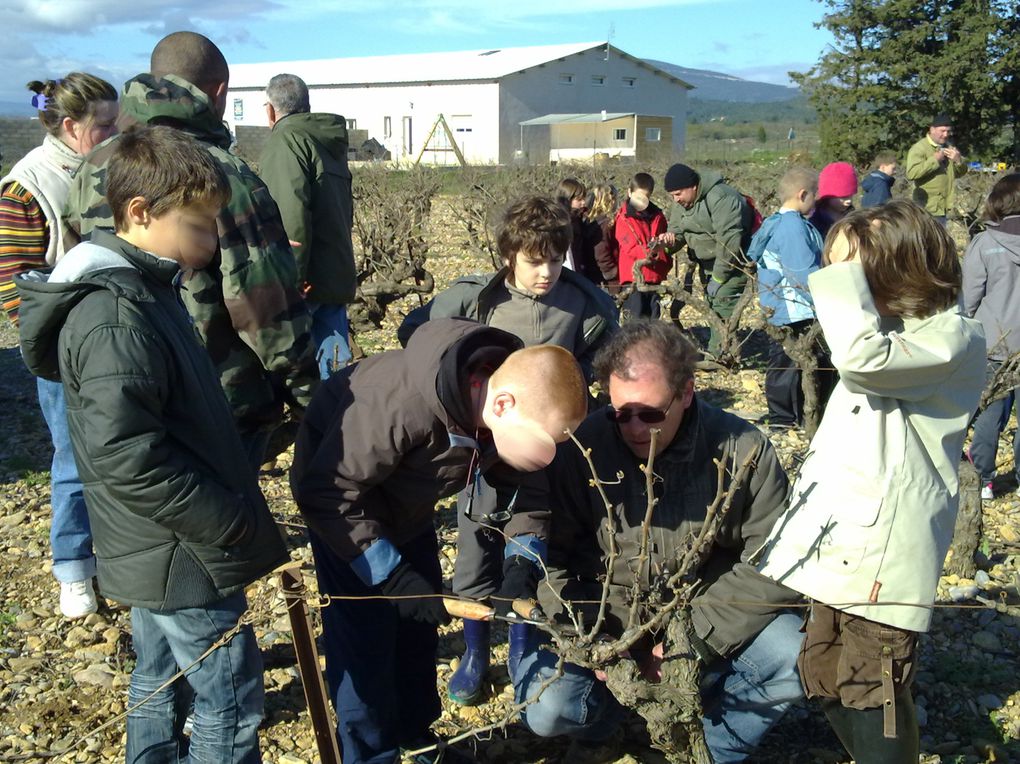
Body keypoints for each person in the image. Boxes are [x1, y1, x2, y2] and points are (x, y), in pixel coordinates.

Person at [16, 125, 289, 763]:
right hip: (181, 549)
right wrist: (226, 522)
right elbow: (126, 454)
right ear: (140, 213)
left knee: (158, 676)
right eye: (199, 224)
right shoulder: (116, 315)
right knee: (229, 699)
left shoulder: (145, 287)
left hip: (155, 546)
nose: (213, 239)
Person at [290, 319, 589, 764]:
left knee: (419, 630)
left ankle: (416, 735)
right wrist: (391, 575)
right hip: (347, 521)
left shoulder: (497, 406)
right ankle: (371, 754)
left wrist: (521, 565)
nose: (547, 458)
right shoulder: (398, 404)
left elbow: (525, 488)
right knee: (365, 646)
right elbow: (328, 492)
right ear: (502, 404)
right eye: (545, 445)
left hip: (408, 511)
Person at [514, 320, 805, 763]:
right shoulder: (581, 449)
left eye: (650, 414)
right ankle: (606, 723)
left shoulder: (741, 451)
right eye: (620, 414)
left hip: (703, 619)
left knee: (796, 650)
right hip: (607, 626)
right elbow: (551, 560)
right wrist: (599, 643)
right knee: (547, 708)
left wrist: (690, 641)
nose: (632, 428)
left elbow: (775, 563)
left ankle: (709, 745)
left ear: (686, 393)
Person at [757, 200, 986, 761]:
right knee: (825, 671)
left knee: (873, 684)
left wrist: (839, 274)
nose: (844, 284)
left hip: (884, 550)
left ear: (900, 265)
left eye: (856, 271)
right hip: (844, 538)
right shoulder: (892, 334)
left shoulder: (950, 338)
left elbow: (863, 360)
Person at [397, 196, 618, 706]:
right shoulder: (477, 300)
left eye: (556, 259)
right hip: (479, 448)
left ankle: (523, 645)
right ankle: (475, 652)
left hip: (547, 453)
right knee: (475, 548)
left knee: (533, 545)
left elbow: (607, 360)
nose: (547, 272)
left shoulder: (585, 304)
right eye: (535, 259)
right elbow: (417, 334)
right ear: (508, 254)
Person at [63, 31, 317, 471]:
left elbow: (73, 263)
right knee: (221, 520)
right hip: (214, 397)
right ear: (218, 92)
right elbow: (263, 306)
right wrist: (308, 393)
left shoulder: (93, 163)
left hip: (116, 384)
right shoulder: (220, 171)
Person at [0, 73, 118, 618]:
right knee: (72, 458)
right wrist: (71, 327)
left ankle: (117, 554)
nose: (115, 134)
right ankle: (73, 567)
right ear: (71, 127)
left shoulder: (104, 168)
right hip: (65, 349)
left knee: (120, 450)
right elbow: (11, 288)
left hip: (116, 338)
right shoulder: (27, 186)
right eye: (105, 126)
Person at [259, 73, 356, 379]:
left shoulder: (286, 141)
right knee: (339, 378)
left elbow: (291, 217)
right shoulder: (327, 142)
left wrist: (292, 280)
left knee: (294, 376)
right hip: (334, 275)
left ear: (270, 111)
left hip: (306, 283)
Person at [748, 166, 828, 430]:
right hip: (795, 308)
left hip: (779, 306)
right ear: (802, 194)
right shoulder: (793, 228)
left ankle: (785, 416)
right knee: (788, 365)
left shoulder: (776, 221)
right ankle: (784, 419)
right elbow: (803, 272)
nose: (816, 201)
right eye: (815, 195)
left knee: (785, 362)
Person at [655, 163, 755, 356]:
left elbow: (729, 242)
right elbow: (678, 233)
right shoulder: (681, 204)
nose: (675, 200)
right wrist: (667, 243)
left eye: (678, 194)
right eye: (672, 196)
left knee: (722, 306)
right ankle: (720, 352)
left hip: (734, 264)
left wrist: (718, 277)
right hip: (706, 263)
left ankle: (721, 357)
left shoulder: (722, 197)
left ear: (693, 187)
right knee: (711, 304)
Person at [962, 174, 1020, 499]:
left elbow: (968, 299)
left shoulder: (984, 244)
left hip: (994, 344)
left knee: (990, 413)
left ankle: (983, 477)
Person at [614, 172, 670, 321]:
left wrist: (663, 250)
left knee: (652, 322)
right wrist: (651, 252)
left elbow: (664, 242)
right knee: (634, 323)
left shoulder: (658, 216)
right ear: (629, 192)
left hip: (654, 277)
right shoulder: (623, 218)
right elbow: (630, 247)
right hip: (632, 279)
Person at [906, 113, 968, 225]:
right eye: (942, 131)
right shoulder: (919, 148)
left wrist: (958, 161)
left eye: (948, 131)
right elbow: (911, 173)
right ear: (932, 129)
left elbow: (959, 173)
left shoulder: (949, 147)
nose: (946, 135)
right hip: (925, 209)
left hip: (943, 208)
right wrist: (934, 160)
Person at [556, 178, 602, 285]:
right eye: (579, 199)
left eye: (583, 199)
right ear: (568, 199)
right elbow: (569, 253)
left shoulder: (579, 218)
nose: (583, 202)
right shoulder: (564, 222)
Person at [809, 161, 857, 240]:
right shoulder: (816, 221)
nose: (849, 201)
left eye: (851, 196)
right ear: (828, 195)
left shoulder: (853, 216)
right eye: (843, 197)